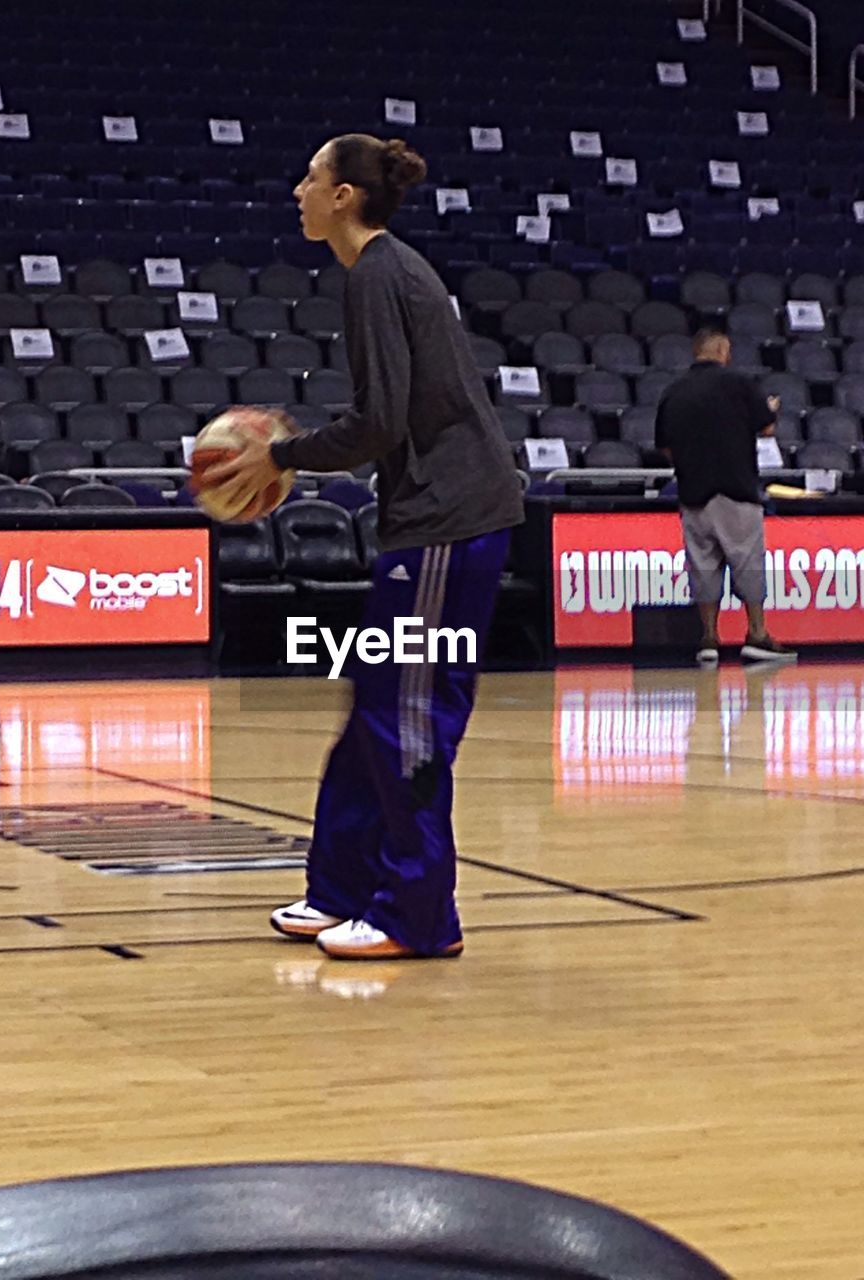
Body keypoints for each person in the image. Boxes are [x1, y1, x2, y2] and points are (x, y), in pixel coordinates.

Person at [209, 134, 525, 959]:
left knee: (405, 721)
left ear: (345, 196)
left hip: (450, 525)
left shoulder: (383, 275)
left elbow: (378, 423)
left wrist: (277, 455)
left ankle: (418, 917)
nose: (297, 190)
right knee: (370, 715)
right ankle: (342, 890)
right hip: (433, 522)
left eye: (310, 177)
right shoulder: (382, 273)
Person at [654, 329, 796, 665]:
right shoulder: (739, 383)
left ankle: (708, 640)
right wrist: (771, 409)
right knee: (747, 561)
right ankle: (757, 635)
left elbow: (664, 446)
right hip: (736, 489)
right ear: (721, 349)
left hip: (693, 494)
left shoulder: (674, 391)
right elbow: (766, 428)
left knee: (702, 566)